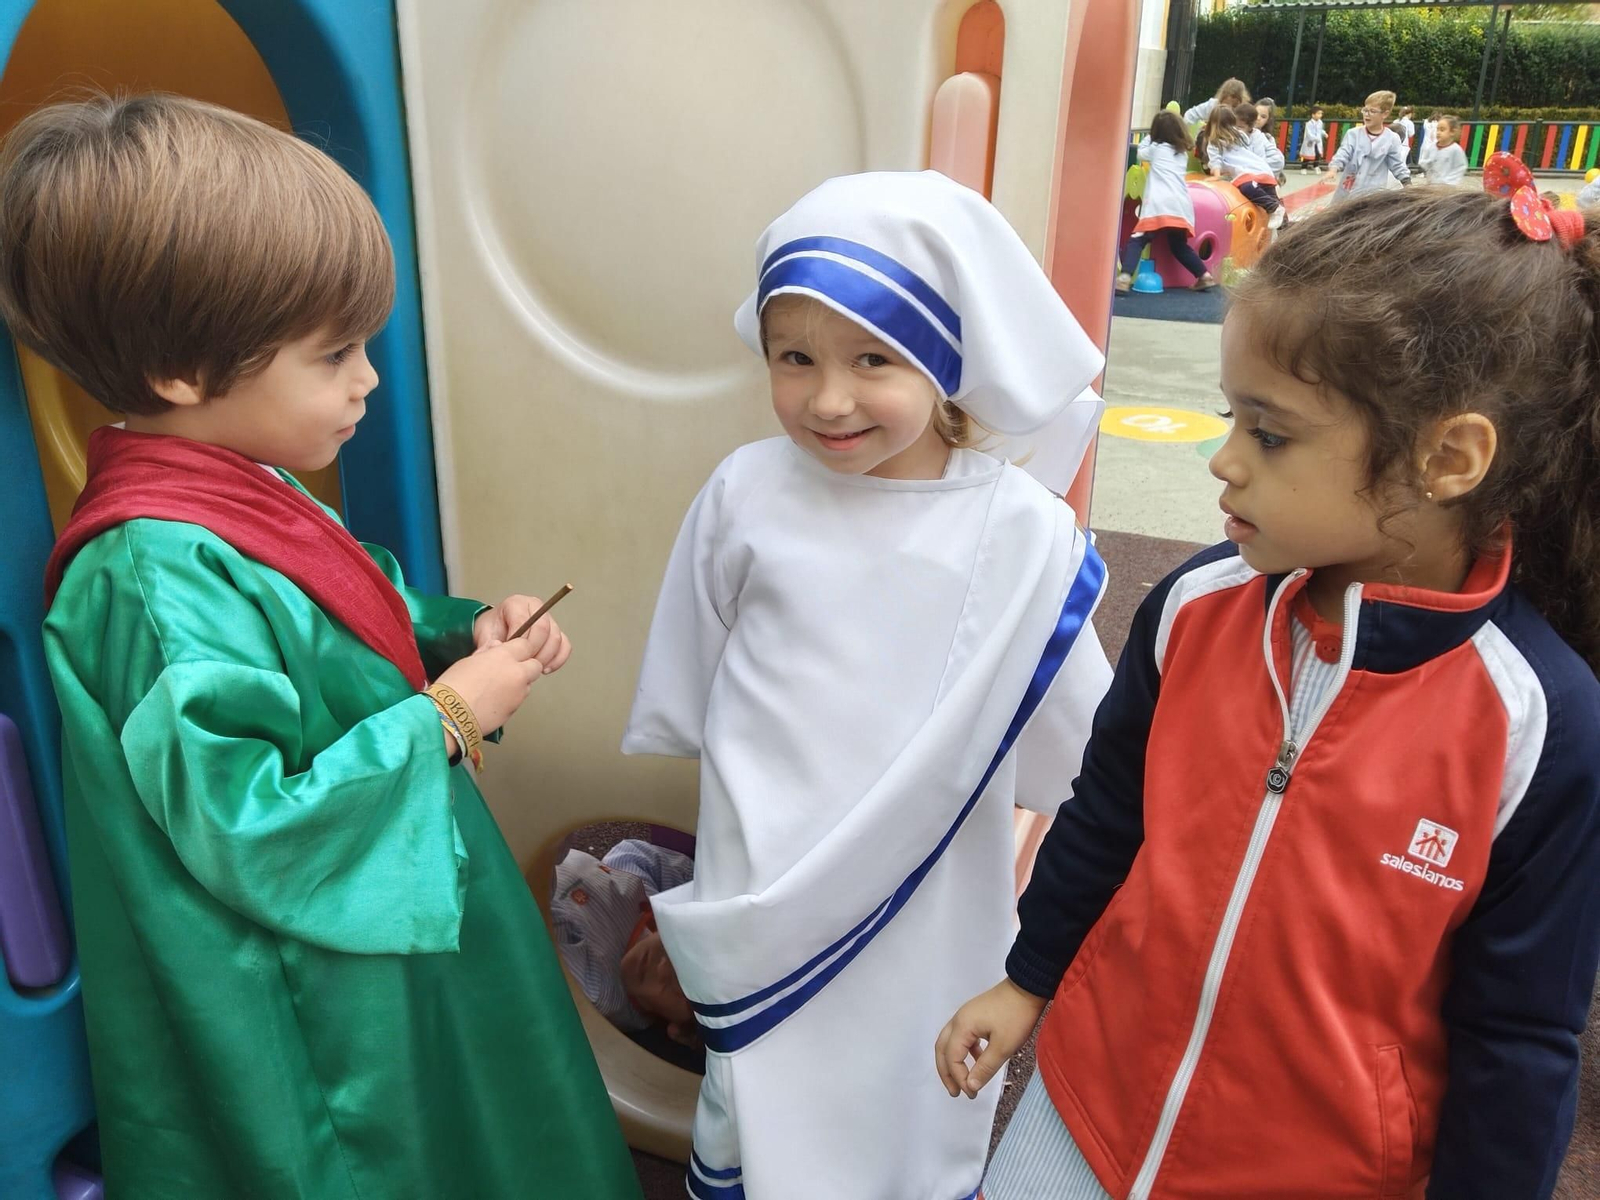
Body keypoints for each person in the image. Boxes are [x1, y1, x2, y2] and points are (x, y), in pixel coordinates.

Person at [2, 94, 641, 1199]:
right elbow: (244, 820)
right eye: (334, 352)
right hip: (310, 999)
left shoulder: (232, 488)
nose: (369, 379)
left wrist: (459, 631)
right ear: (183, 378)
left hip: (368, 933)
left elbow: (344, 606)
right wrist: (449, 712)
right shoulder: (149, 575)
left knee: (473, 1115)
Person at [938, 186, 1600, 1199]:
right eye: (1228, 418)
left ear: (1449, 458)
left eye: (1271, 433)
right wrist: (1027, 979)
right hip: (1087, 1110)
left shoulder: (1536, 724)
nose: (1225, 460)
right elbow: (1106, 815)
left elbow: (1519, 1031)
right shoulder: (1196, 608)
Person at [623, 170, 1113, 1200]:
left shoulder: (1021, 532)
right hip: (762, 866)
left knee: (906, 1099)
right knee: (759, 1095)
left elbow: (1079, 753)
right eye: (792, 358)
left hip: (929, 905)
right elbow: (699, 664)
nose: (827, 397)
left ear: (945, 361)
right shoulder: (745, 491)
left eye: (873, 359)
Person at [551, 839, 698, 1042]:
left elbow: (537, 920)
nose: (664, 968)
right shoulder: (657, 912)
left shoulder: (602, 993)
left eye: (681, 990)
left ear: (679, 1032)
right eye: (686, 955)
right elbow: (634, 855)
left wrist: (549, 852)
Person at [1117, 110, 1217, 292]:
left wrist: (1149, 137)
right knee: (1179, 246)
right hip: (1181, 206)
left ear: (1157, 133)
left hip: (1159, 204)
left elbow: (1140, 153)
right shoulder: (1182, 155)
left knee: (1137, 240)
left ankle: (1124, 277)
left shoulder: (1157, 149)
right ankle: (1204, 275)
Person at [1325, 89, 1411, 201]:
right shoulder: (1353, 134)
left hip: (1372, 194)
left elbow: (1397, 165)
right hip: (1348, 190)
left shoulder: (1392, 139)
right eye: (1365, 110)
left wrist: (1407, 184)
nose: (1367, 115)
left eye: (1372, 111)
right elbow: (1343, 153)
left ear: (1385, 114)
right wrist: (1334, 168)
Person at [1208, 104, 1286, 226]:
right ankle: (1283, 224)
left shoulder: (1215, 142)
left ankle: (1275, 208)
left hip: (1250, 174)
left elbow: (1215, 161)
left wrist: (1216, 175)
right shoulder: (1240, 136)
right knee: (1272, 201)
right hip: (1264, 171)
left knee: (1246, 187)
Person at [1420, 114, 1468, 187]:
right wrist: (1427, 163)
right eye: (1437, 129)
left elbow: (1460, 167)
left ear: (1452, 132)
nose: (1438, 132)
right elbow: (1424, 161)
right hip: (1431, 185)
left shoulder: (1456, 150)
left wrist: (1450, 182)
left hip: (1447, 188)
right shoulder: (1432, 147)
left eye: (1442, 130)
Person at [1183, 76, 1250, 127]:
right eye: (1225, 105)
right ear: (1221, 98)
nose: (1228, 109)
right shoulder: (1212, 105)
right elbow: (1190, 115)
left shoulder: (1243, 114)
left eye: (1234, 107)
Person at [1299, 105, 1327, 171]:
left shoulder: (1320, 122)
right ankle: (1304, 167)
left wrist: (1324, 133)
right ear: (1313, 115)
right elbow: (1309, 133)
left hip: (1317, 142)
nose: (1320, 115)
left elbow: (1320, 130)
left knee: (1317, 154)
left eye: (1321, 114)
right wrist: (1314, 138)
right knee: (1307, 155)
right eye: (1318, 113)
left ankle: (1316, 166)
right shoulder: (1309, 123)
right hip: (1310, 141)